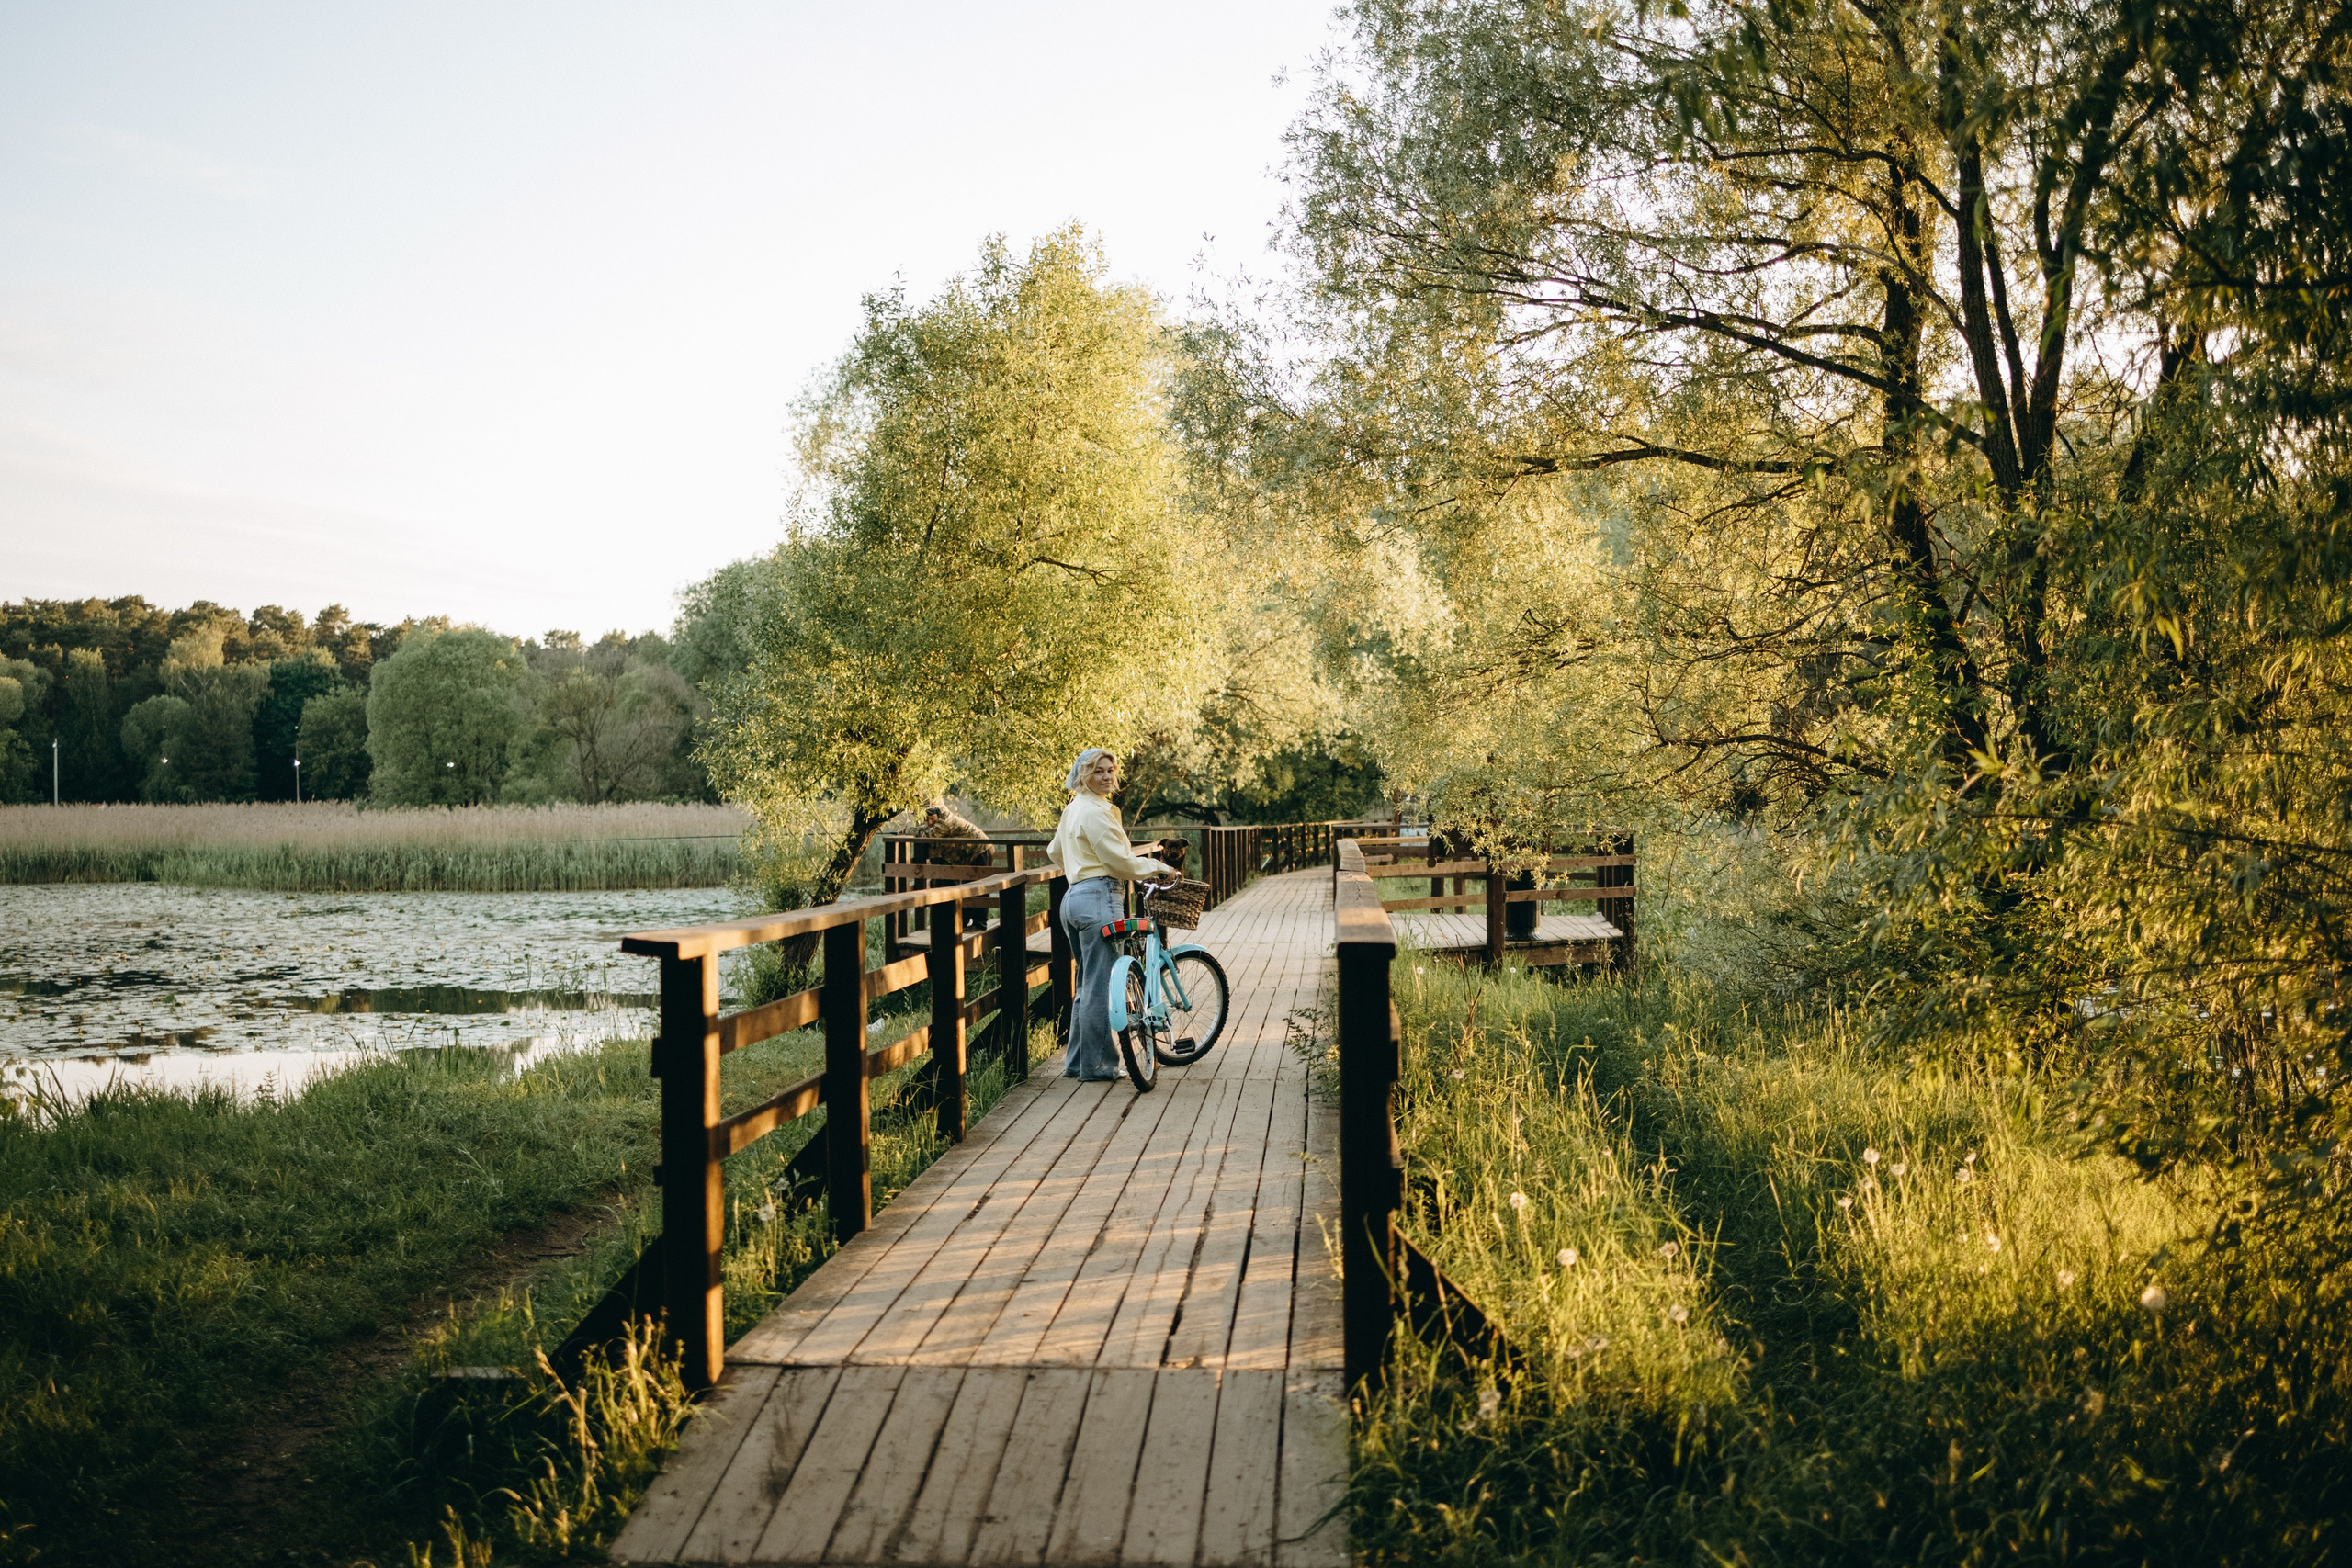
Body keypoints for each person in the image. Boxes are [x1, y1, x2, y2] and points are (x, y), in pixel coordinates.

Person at [1046, 748, 1177, 1081]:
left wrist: (1078, 866)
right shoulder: (1096, 812)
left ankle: (1077, 1063)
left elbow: (1053, 852)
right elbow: (1121, 863)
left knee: (1086, 985)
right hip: (1099, 898)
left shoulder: (1074, 809)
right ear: (1083, 775)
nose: (1106, 776)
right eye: (1097, 771)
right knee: (1102, 985)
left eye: (1110, 770)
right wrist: (1159, 867)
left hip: (1072, 900)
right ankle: (1099, 1066)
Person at [921, 799, 993, 931]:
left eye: (931, 818)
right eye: (926, 820)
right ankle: (962, 923)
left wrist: (911, 830)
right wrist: (906, 830)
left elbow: (930, 834)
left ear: (937, 813)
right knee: (967, 887)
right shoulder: (938, 822)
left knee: (980, 887)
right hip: (969, 854)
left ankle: (980, 924)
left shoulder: (945, 820)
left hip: (980, 849)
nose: (929, 822)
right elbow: (924, 830)